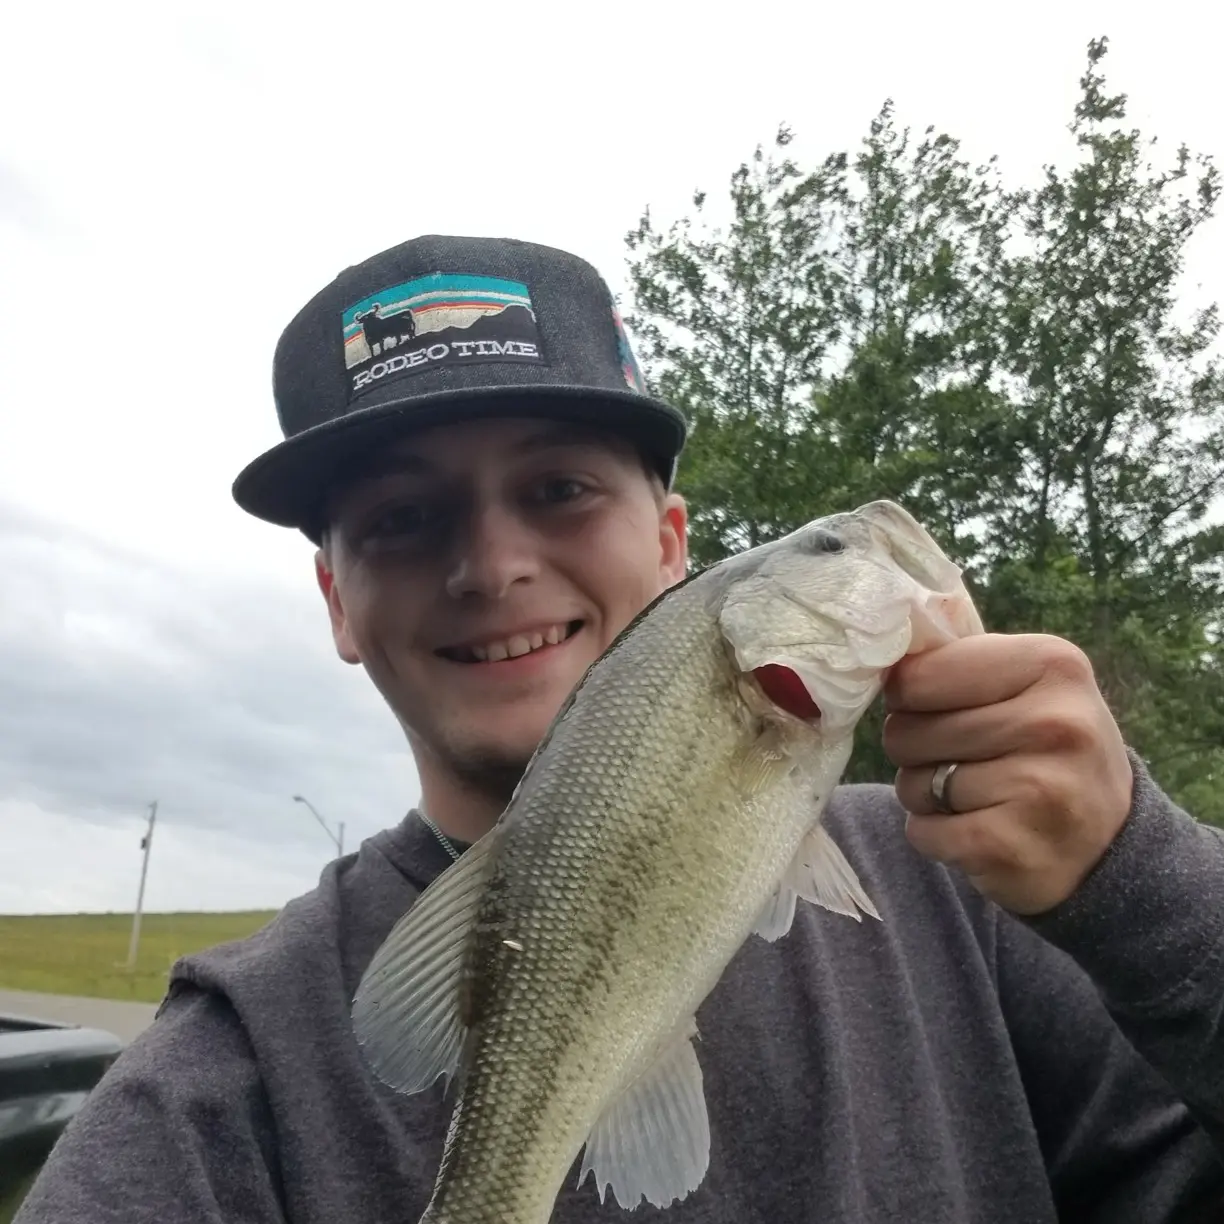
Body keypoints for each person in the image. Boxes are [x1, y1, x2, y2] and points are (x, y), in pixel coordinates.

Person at [16, 235, 1224, 1224]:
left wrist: (1135, 883)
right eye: (400, 518)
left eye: (559, 490)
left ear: (673, 542)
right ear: (338, 602)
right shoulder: (222, 1081)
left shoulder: (974, 897)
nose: (492, 566)